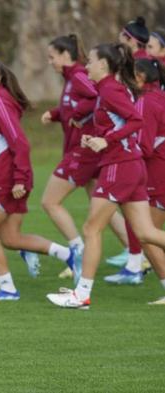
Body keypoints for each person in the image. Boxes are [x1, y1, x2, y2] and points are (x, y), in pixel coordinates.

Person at [47, 43, 165, 309]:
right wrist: (96, 138)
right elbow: (121, 123)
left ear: (103, 65)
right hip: (130, 165)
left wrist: (107, 140)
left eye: (89, 61)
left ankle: (82, 294)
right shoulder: (107, 89)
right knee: (145, 232)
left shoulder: (111, 89)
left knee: (91, 229)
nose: (85, 65)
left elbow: (135, 120)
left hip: (119, 167)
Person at [0, 56, 80, 301]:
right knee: (11, 238)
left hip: (7, 179)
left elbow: (20, 143)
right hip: (4, 178)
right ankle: (70, 255)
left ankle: (8, 288)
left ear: (0, 78)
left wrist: (20, 179)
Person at [39, 34, 130, 279]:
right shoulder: (72, 78)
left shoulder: (79, 75)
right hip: (86, 149)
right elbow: (80, 104)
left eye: (52, 57)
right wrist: (57, 113)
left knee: (50, 201)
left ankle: (76, 250)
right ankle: (135, 255)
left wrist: (77, 114)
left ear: (66, 55)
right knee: (100, 204)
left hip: (86, 150)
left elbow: (97, 97)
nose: (50, 62)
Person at [104, 59, 165, 293]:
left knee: (147, 236)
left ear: (139, 77)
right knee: (147, 235)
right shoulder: (158, 96)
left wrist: (113, 145)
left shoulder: (144, 103)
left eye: (125, 76)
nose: (120, 81)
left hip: (157, 174)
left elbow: (145, 146)